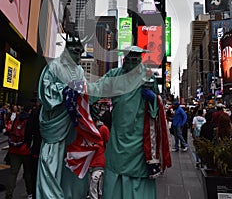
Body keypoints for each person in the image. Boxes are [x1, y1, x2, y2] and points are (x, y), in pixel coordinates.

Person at [67, 45, 171, 199]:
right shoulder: (114, 75)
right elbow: (97, 89)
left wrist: (154, 99)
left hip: (139, 141)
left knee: (138, 177)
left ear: (141, 59)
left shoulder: (148, 76)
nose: (132, 60)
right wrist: (77, 88)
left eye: (136, 58)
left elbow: (156, 107)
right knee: (115, 172)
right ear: (124, 58)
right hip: (118, 138)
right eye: (129, 57)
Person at [36, 33, 89, 199]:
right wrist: (64, 91)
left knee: (71, 164)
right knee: (50, 162)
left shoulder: (80, 70)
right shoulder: (53, 67)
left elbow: (83, 94)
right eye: (75, 51)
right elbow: (44, 92)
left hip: (72, 125)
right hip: (55, 125)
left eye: (80, 52)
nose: (78, 56)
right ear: (66, 50)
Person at [5, 105, 33, 199]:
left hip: (14, 149)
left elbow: (9, 130)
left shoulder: (16, 118)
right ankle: (30, 193)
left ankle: (9, 194)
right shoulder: (30, 120)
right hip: (26, 150)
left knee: (13, 173)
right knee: (27, 173)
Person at [87, 106, 110, 199]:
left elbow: (107, 143)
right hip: (91, 160)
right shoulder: (88, 129)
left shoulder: (103, 129)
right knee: (92, 183)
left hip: (99, 160)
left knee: (95, 181)